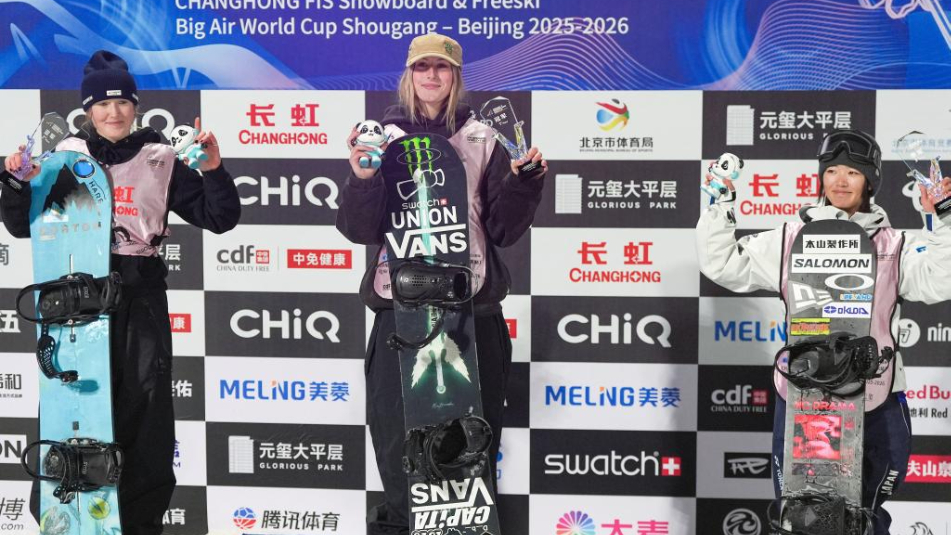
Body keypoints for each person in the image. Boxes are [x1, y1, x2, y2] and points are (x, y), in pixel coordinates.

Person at [1, 50, 241, 535]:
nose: (114, 112)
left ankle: (138, 522)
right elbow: (21, 226)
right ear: (87, 110)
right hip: (74, 302)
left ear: (136, 106)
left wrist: (214, 169)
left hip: (139, 297)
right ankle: (63, 516)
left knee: (145, 412)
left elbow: (220, 217)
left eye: (123, 102)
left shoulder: (161, 157)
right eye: (103, 104)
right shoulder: (64, 157)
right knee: (71, 404)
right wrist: (15, 181)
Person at [337, 33, 547, 535]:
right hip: (400, 317)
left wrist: (524, 181)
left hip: (472, 315)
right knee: (399, 457)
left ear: (457, 75)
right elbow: (359, 230)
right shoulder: (381, 137)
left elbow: (503, 229)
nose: (431, 76)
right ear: (408, 75)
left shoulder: (484, 137)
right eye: (422, 67)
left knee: (469, 460)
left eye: (442, 67)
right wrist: (362, 180)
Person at [696, 129, 951, 534]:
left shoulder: (893, 243)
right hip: (804, 397)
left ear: (870, 180)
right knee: (803, 515)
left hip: (875, 395)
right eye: (831, 171)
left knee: (866, 516)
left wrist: (945, 217)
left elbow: (940, 281)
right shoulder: (790, 237)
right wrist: (718, 204)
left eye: (853, 172)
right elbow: (723, 264)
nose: (840, 181)